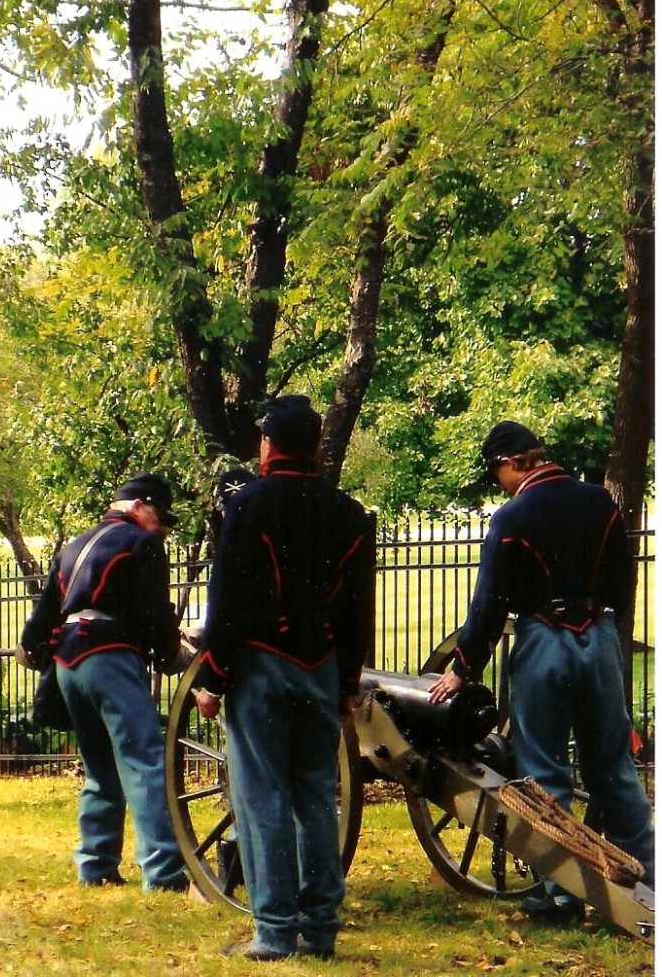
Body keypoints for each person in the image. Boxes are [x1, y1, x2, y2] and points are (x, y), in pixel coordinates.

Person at [429, 421, 655, 921]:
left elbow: (489, 603)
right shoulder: (601, 503)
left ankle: (562, 893)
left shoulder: (514, 516)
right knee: (614, 769)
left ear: (511, 463)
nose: (500, 484)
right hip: (598, 637)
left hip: (543, 641)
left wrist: (462, 668)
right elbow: (621, 580)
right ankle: (651, 884)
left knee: (544, 771)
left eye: (497, 474)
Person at [195, 395, 373, 961]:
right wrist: (346, 684)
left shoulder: (247, 505)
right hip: (320, 665)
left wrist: (213, 676)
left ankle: (274, 932)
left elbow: (230, 602)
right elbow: (355, 611)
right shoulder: (349, 513)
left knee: (263, 796)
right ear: (316, 444)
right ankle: (320, 929)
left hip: (261, 665)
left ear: (267, 444)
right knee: (317, 796)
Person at [16, 472, 189, 892]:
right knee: (146, 764)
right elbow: (153, 611)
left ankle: (95, 866)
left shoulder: (74, 544)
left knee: (100, 770)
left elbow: (43, 617)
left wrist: (33, 647)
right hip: (110, 656)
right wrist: (171, 654)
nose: (163, 527)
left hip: (68, 663)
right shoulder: (142, 544)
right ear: (137, 506)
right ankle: (164, 875)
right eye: (160, 516)